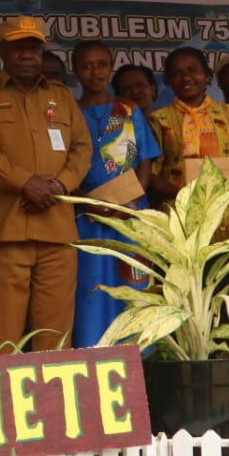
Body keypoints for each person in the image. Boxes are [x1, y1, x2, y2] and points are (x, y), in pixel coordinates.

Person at [0, 16, 91, 353]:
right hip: (4, 230)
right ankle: (3, 403)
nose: (26, 55)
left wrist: (60, 186)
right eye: (18, 47)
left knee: (55, 336)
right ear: (2, 51)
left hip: (57, 229)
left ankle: (53, 402)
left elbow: (82, 148)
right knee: (2, 338)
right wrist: (25, 184)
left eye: (33, 47)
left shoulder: (62, 97)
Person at [71, 41, 160, 347]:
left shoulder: (128, 110)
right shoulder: (68, 112)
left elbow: (145, 162)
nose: (95, 71)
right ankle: (93, 352)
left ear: (111, 68)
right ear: (75, 72)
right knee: (91, 289)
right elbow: (63, 168)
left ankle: (141, 357)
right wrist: (88, 201)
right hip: (87, 217)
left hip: (131, 216)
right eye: (86, 65)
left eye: (102, 64)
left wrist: (133, 200)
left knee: (134, 285)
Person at [148, 47, 229, 235]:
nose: (186, 77)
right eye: (177, 73)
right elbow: (152, 175)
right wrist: (184, 195)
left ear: (206, 75)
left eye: (192, 70)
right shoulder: (159, 119)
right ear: (169, 80)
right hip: (181, 217)